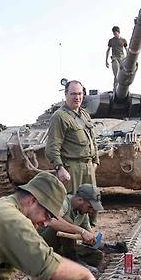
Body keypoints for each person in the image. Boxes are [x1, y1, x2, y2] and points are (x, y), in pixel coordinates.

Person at [46, 80, 100, 222]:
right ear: (66, 95)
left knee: (91, 204)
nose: (77, 97)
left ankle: (89, 234)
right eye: (73, 94)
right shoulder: (60, 117)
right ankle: (71, 238)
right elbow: (52, 146)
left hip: (88, 167)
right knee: (73, 206)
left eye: (80, 94)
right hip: (72, 169)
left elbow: (92, 139)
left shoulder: (84, 115)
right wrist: (59, 168)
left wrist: (95, 161)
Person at [39, 183, 105, 272]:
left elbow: (91, 235)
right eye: (89, 207)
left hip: (63, 247)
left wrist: (108, 246)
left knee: (96, 256)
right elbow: (52, 221)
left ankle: (60, 260)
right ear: (80, 200)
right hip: (42, 243)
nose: (90, 211)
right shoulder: (64, 202)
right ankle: (73, 260)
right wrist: (81, 231)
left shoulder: (82, 213)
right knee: (68, 224)